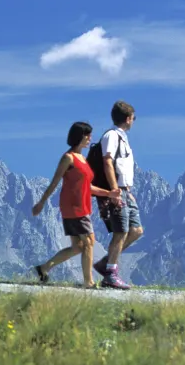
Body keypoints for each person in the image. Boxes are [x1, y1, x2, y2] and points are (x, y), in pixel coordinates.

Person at [32, 121, 121, 289]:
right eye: (87, 135)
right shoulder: (68, 158)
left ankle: (43, 268)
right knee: (89, 241)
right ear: (80, 136)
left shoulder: (83, 159)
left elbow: (88, 186)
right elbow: (55, 182)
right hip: (73, 206)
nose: (90, 138)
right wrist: (41, 203)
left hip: (83, 205)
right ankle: (89, 282)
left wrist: (109, 193)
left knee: (78, 246)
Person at [93, 100, 142, 290]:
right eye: (133, 118)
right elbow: (107, 161)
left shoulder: (122, 137)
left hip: (125, 191)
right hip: (116, 191)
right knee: (120, 231)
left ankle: (105, 263)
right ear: (128, 118)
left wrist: (127, 191)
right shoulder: (111, 136)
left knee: (136, 231)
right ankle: (110, 276)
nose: (133, 121)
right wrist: (114, 191)